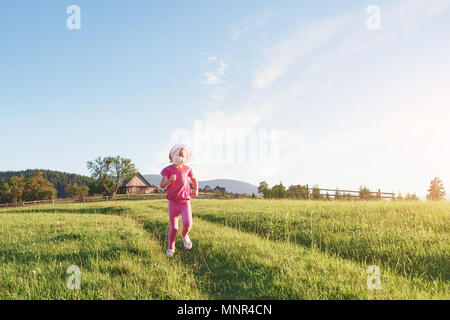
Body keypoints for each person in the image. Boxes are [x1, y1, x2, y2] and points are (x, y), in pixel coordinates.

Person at [160, 144, 198, 257]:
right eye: (178, 155)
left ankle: (184, 236)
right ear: (172, 156)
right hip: (173, 203)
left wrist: (196, 190)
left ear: (186, 158)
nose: (180, 158)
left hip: (185, 202)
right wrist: (170, 180)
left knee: (188, 223)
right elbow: (162, 185)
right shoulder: (168, 169)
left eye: (183, 156)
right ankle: (171, 248)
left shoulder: (187, 169)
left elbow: (194, 179)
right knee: (174, 227)